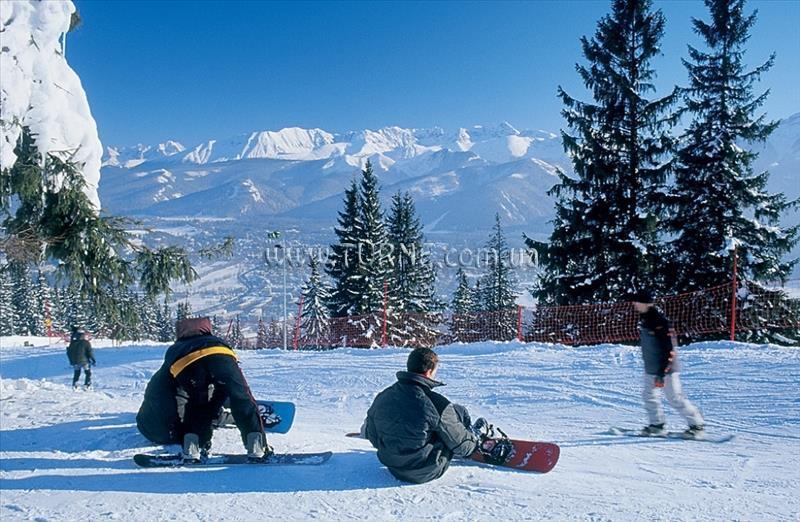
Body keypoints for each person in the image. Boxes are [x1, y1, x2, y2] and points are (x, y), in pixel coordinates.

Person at [136, 317, 269, 462]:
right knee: (241, 396)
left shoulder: (177, 347)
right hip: (221, 355)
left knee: (197, 403)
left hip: (184, 362)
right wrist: (219, 401)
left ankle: (194, 448)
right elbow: (224, 389)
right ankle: (257, 446)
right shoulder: (215, 340)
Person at [364, 347, 491, 484]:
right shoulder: (438, 404)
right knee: (459, 412)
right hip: (425, 470)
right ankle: (470, 434)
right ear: (429, 371)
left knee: (446, 414)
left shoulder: (384, 396)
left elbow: (372, 435)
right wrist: (472, 445)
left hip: (393, 467)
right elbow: (463, 448)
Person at [629, 290, 705, 438]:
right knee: (649, 396)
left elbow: (668, 348)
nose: (634, 304)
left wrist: (662, 372)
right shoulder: (646, 320)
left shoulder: (659, 321)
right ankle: (656, 425)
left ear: (645, 303)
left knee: (674, 397)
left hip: (665, 369)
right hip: (652, 368)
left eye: (637, 301)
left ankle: (697, 425)